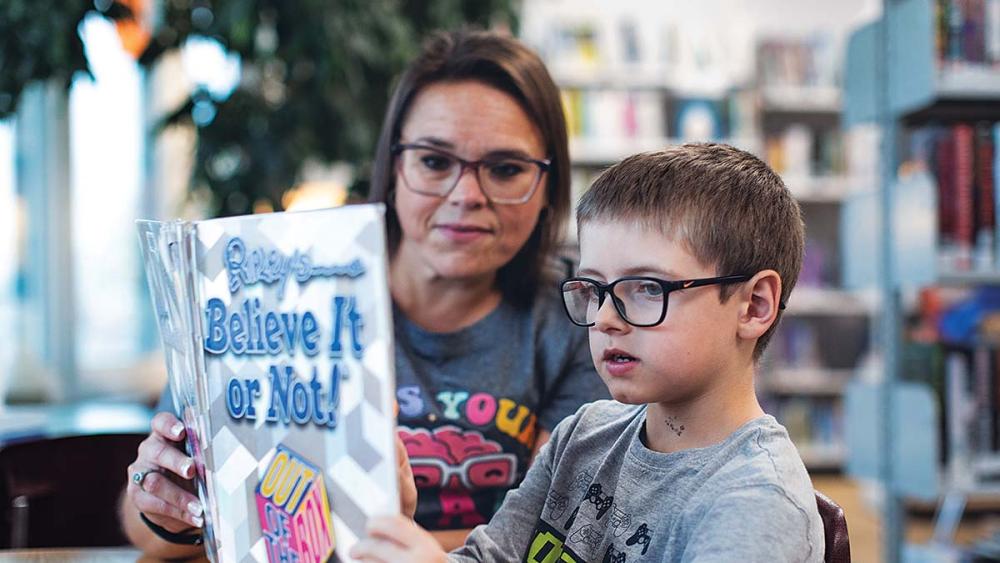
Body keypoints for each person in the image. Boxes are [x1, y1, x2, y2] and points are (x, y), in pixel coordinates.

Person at [119, 29, 607, 558]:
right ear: (394, 169)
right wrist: (167, 506)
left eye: (506, 169)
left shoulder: (580, 315)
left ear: (549, 186)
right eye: (434, 162)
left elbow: (554, 534)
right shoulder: (278, 290)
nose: (466, 194)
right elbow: (147, 532)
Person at [350, 143, 827, 562]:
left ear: (754, 305)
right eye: (594, 289)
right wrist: (395, 525)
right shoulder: (581, 438)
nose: (604, 318)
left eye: (647, 287)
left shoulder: (758, 502)